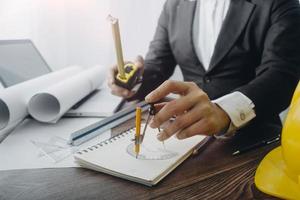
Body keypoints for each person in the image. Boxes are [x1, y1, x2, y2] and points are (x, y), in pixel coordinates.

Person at [108, 0, 300, 141]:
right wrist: (131, 78)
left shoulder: (278, 3)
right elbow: (158, 65)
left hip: (250, 140)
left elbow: (282, 74)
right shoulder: (173, 4)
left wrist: (225, 111)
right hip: (186, 137)